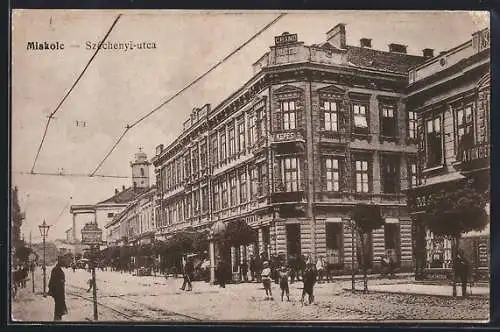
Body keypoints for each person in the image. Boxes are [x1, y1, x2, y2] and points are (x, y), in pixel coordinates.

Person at [48, 257, 68, 321]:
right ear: (59, 262)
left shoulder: (58, 269)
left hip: (59, 291)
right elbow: (52, 281)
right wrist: (61, 281)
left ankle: (58, 319)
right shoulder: (56, 269)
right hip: (58, 292)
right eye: (62, 261)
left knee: (59, 306)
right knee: (59, 306)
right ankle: (57, 321)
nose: (63, 262)